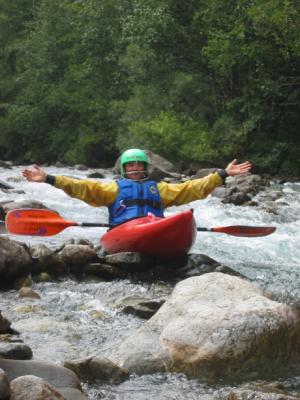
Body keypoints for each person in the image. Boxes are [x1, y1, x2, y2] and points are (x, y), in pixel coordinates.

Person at [22, 148, 252, 225]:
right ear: (123, 169)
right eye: (129, 165)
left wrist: (222, 174)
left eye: (138, 165)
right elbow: (79, 185)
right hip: (125, 229)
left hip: (154, 226)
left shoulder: (160, 190)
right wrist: (49, 178)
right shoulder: (111, 189)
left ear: (145, 168)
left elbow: (192, 187)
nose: (134, 168)